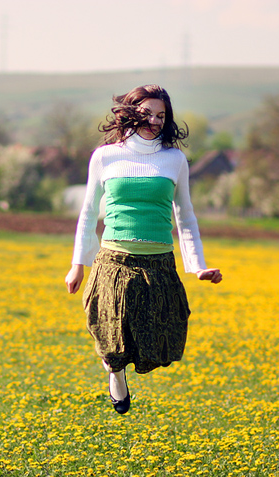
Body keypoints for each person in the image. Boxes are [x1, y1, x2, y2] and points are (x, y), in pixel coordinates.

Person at [65, 84, 222, 415]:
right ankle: (115, 373)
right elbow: (89, 212)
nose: (154, 121)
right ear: (131, 113)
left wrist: (198, 266)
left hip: (158, 264)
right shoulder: (106, 156)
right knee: (110, 331)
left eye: (161, 116)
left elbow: (186, 217)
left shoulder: (174, 159)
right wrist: (78, 263)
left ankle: (119, 367)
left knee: (158, 342)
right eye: (147, 113)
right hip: (113, 260)